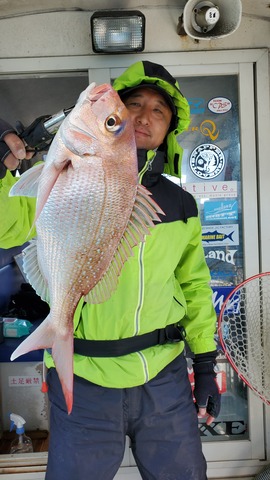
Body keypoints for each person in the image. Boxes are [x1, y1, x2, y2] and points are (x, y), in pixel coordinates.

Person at [0, 61, 220, 480]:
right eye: (132, 104)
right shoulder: (59, 176)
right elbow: (5, 221)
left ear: (170, 127)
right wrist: (1, 169)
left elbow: (194, 284)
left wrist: (205, 364)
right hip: (84, 378)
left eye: (159, 110)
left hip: (164, 379)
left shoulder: (180, 204)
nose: (142, 115)